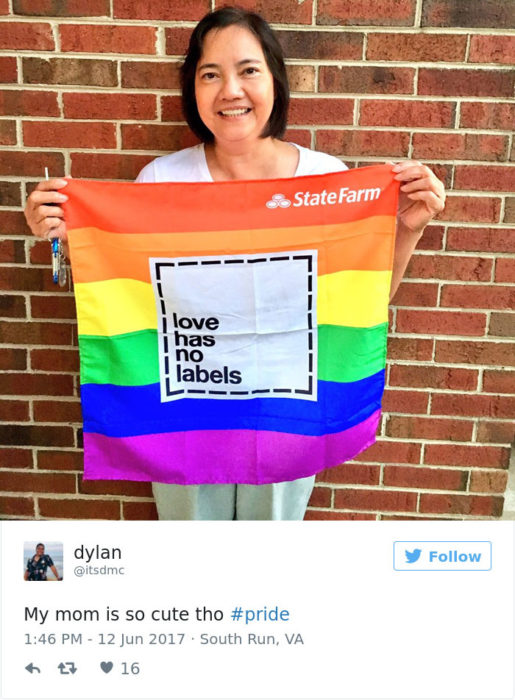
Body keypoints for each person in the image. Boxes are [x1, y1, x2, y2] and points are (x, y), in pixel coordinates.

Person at [23, 7, 445, 522]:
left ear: (274, 80)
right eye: (210, 74)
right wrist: (68, 240)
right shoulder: (160, 182)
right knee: (193, 552)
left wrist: (408, 228)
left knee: (265, 556)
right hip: (184, 416)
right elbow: (124, 298)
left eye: (248, 70)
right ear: (193, 90)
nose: (230, 90)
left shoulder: (327, 182)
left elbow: (363, 304)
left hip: (287, 415)